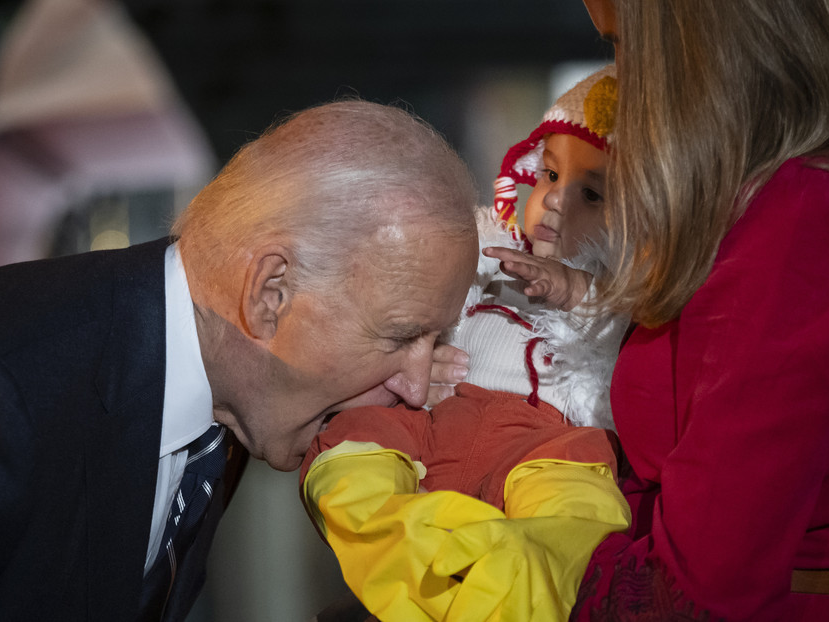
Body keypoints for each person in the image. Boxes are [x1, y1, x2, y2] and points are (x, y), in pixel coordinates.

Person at [0, 100, 481, 622]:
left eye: (434, 340)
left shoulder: (225, 395)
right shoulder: (16, 386)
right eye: (401, 336)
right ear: (270, 293)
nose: (417, 385)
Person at [300, 66, 633, 622]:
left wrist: (580, 291)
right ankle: (439, 561)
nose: (552, 202)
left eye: (591, 194)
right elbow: (409, 277)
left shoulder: (625, 293)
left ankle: (499, 573)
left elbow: (630, 336)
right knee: (346, 461)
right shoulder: (486, 242)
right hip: (429, 418)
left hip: (543, 448)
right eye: (549, 176)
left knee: (583, 516)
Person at [565, 1, 829, 620]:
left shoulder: (794, 219)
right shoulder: (764, 205)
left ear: (688, 55)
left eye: (623, 45)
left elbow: (702, 589)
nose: (617, 84)